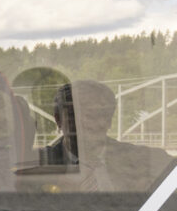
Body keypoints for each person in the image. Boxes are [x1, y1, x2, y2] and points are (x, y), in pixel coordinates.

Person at [39, 80, 174, 192]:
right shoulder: (37, 166)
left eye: (104, 114)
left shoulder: (146, 161)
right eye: (88, 114)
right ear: (58, 120)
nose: (99, 122)